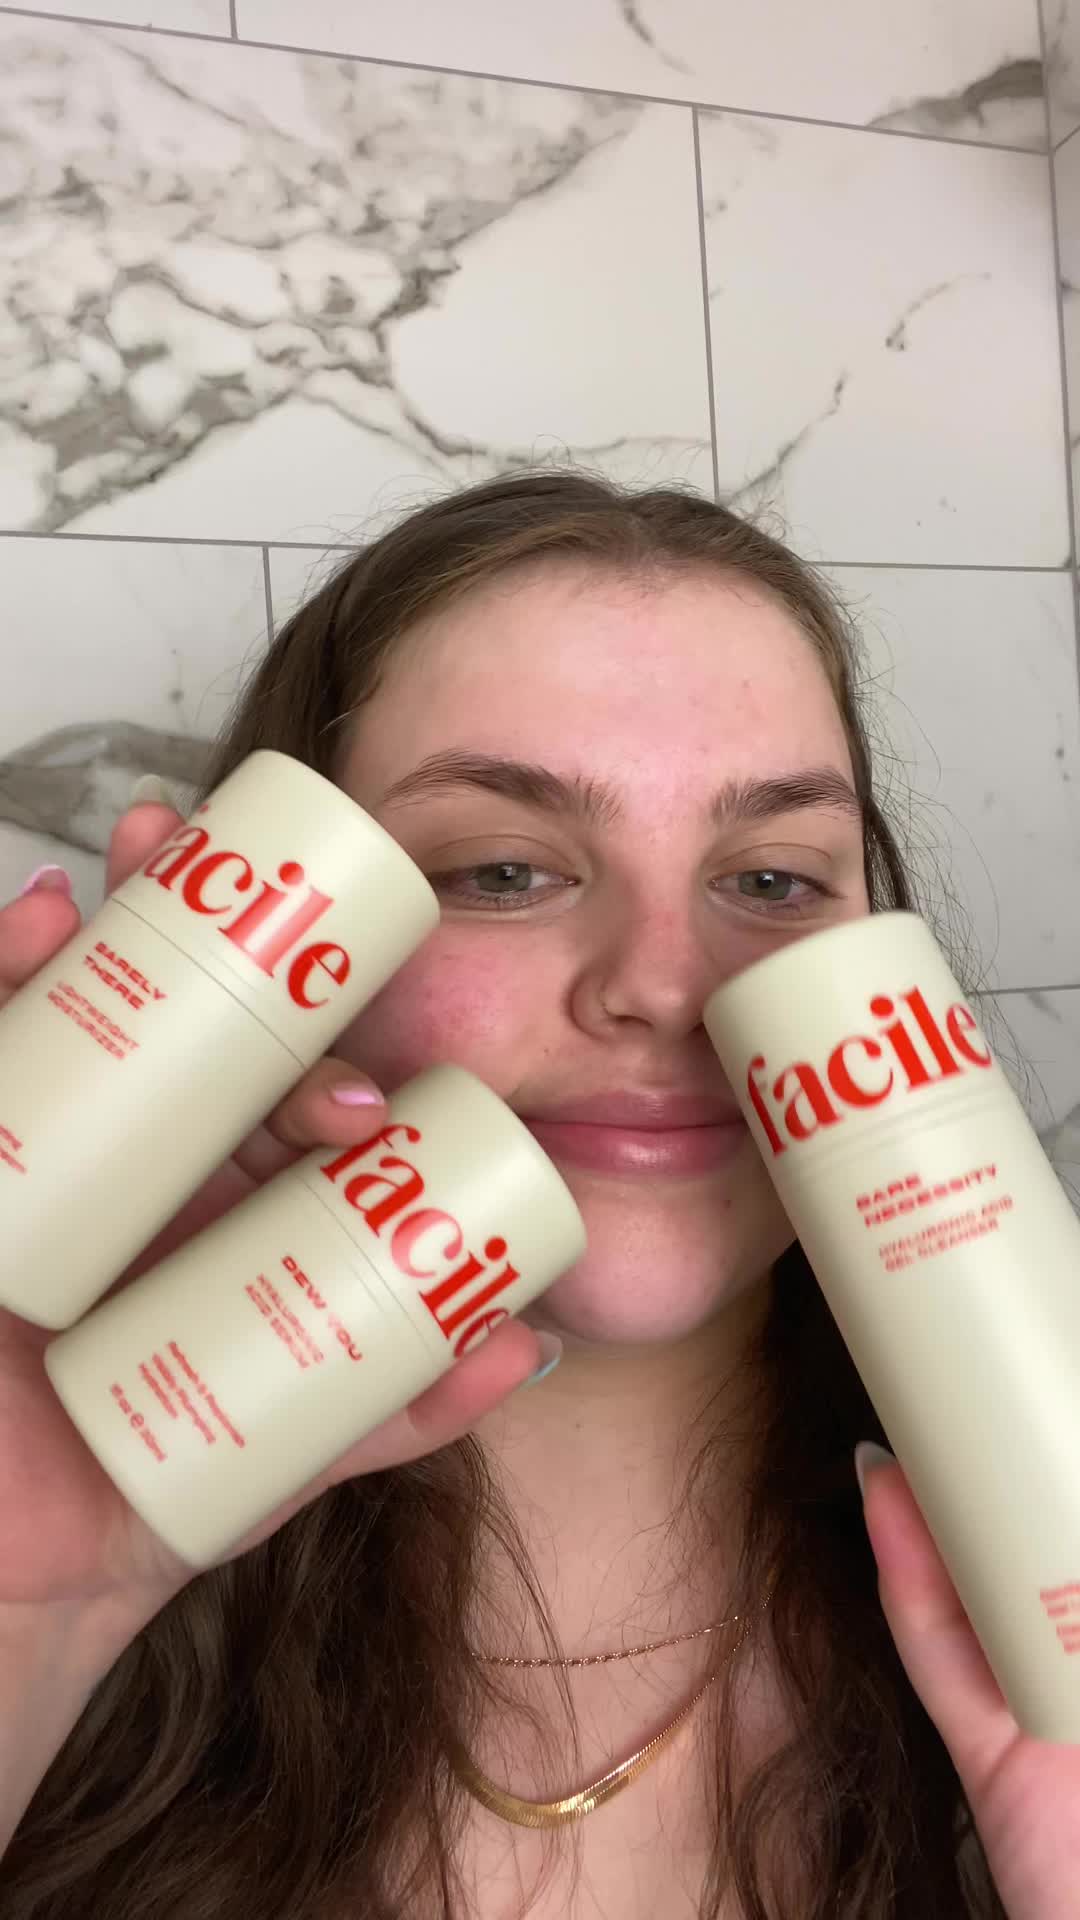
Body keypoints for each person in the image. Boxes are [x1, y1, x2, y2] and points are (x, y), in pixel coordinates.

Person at [0, 473, 1072, 1920]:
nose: (663, 986)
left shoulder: (1051, 1601)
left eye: (772, 879)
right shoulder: (70, 1584)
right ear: (281, 942)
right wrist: (28, 1611)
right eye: (503, 871)